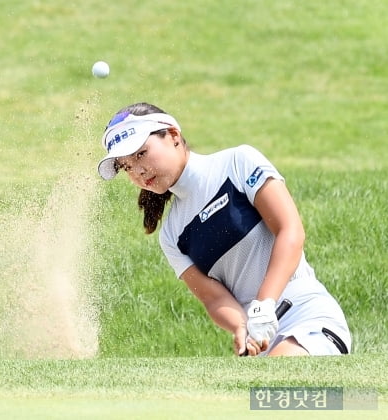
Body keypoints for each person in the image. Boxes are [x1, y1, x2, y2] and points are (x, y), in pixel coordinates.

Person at [97, 102, 351, 356]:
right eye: (127, 166)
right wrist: (241, 327)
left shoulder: (238, 163)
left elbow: (290, 231)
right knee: (270, 393)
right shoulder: (171, 234)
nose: (138, 171)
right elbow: (214, 298)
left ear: (173, 135)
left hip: (305, 313)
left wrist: (264, 304)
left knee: (282, 379)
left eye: (141, 153)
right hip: (260, 338)